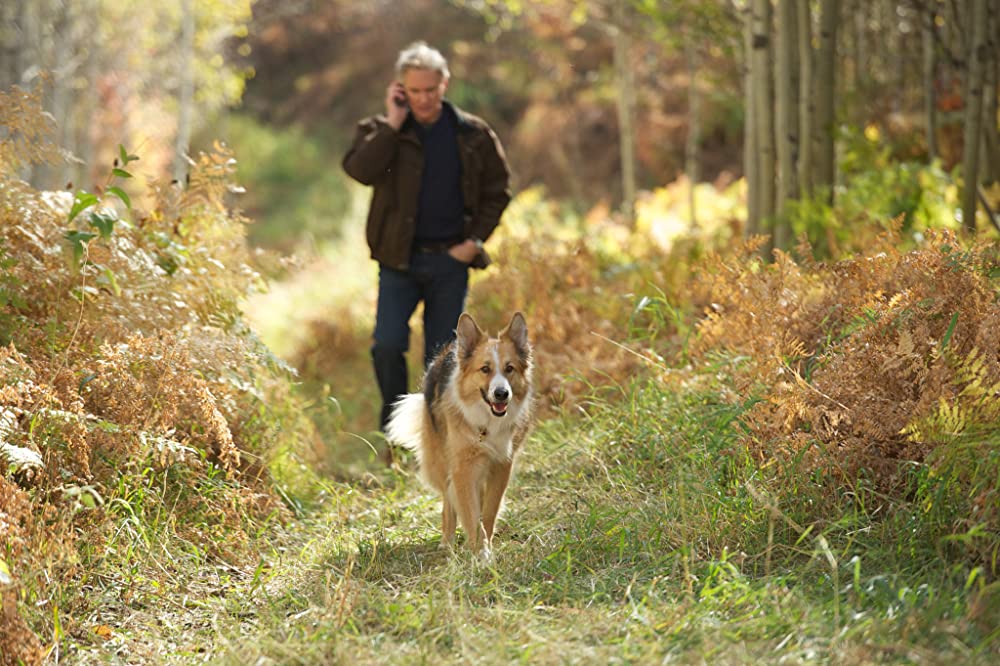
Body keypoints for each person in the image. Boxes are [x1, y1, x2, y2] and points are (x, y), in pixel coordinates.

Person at [342, 41, 512, 431]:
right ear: (400, 88)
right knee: (386, 346)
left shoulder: (473, 134)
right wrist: (393, 122)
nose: (423, 98)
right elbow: (360, 171)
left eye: (430, 90)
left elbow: (498, 191)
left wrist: (474, 243)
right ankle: (395, 433)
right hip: (398, 259)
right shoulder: (381, 131)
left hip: (450, 262)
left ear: (444, 84)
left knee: (444, 358)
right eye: (414, 91)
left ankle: (435, 436)